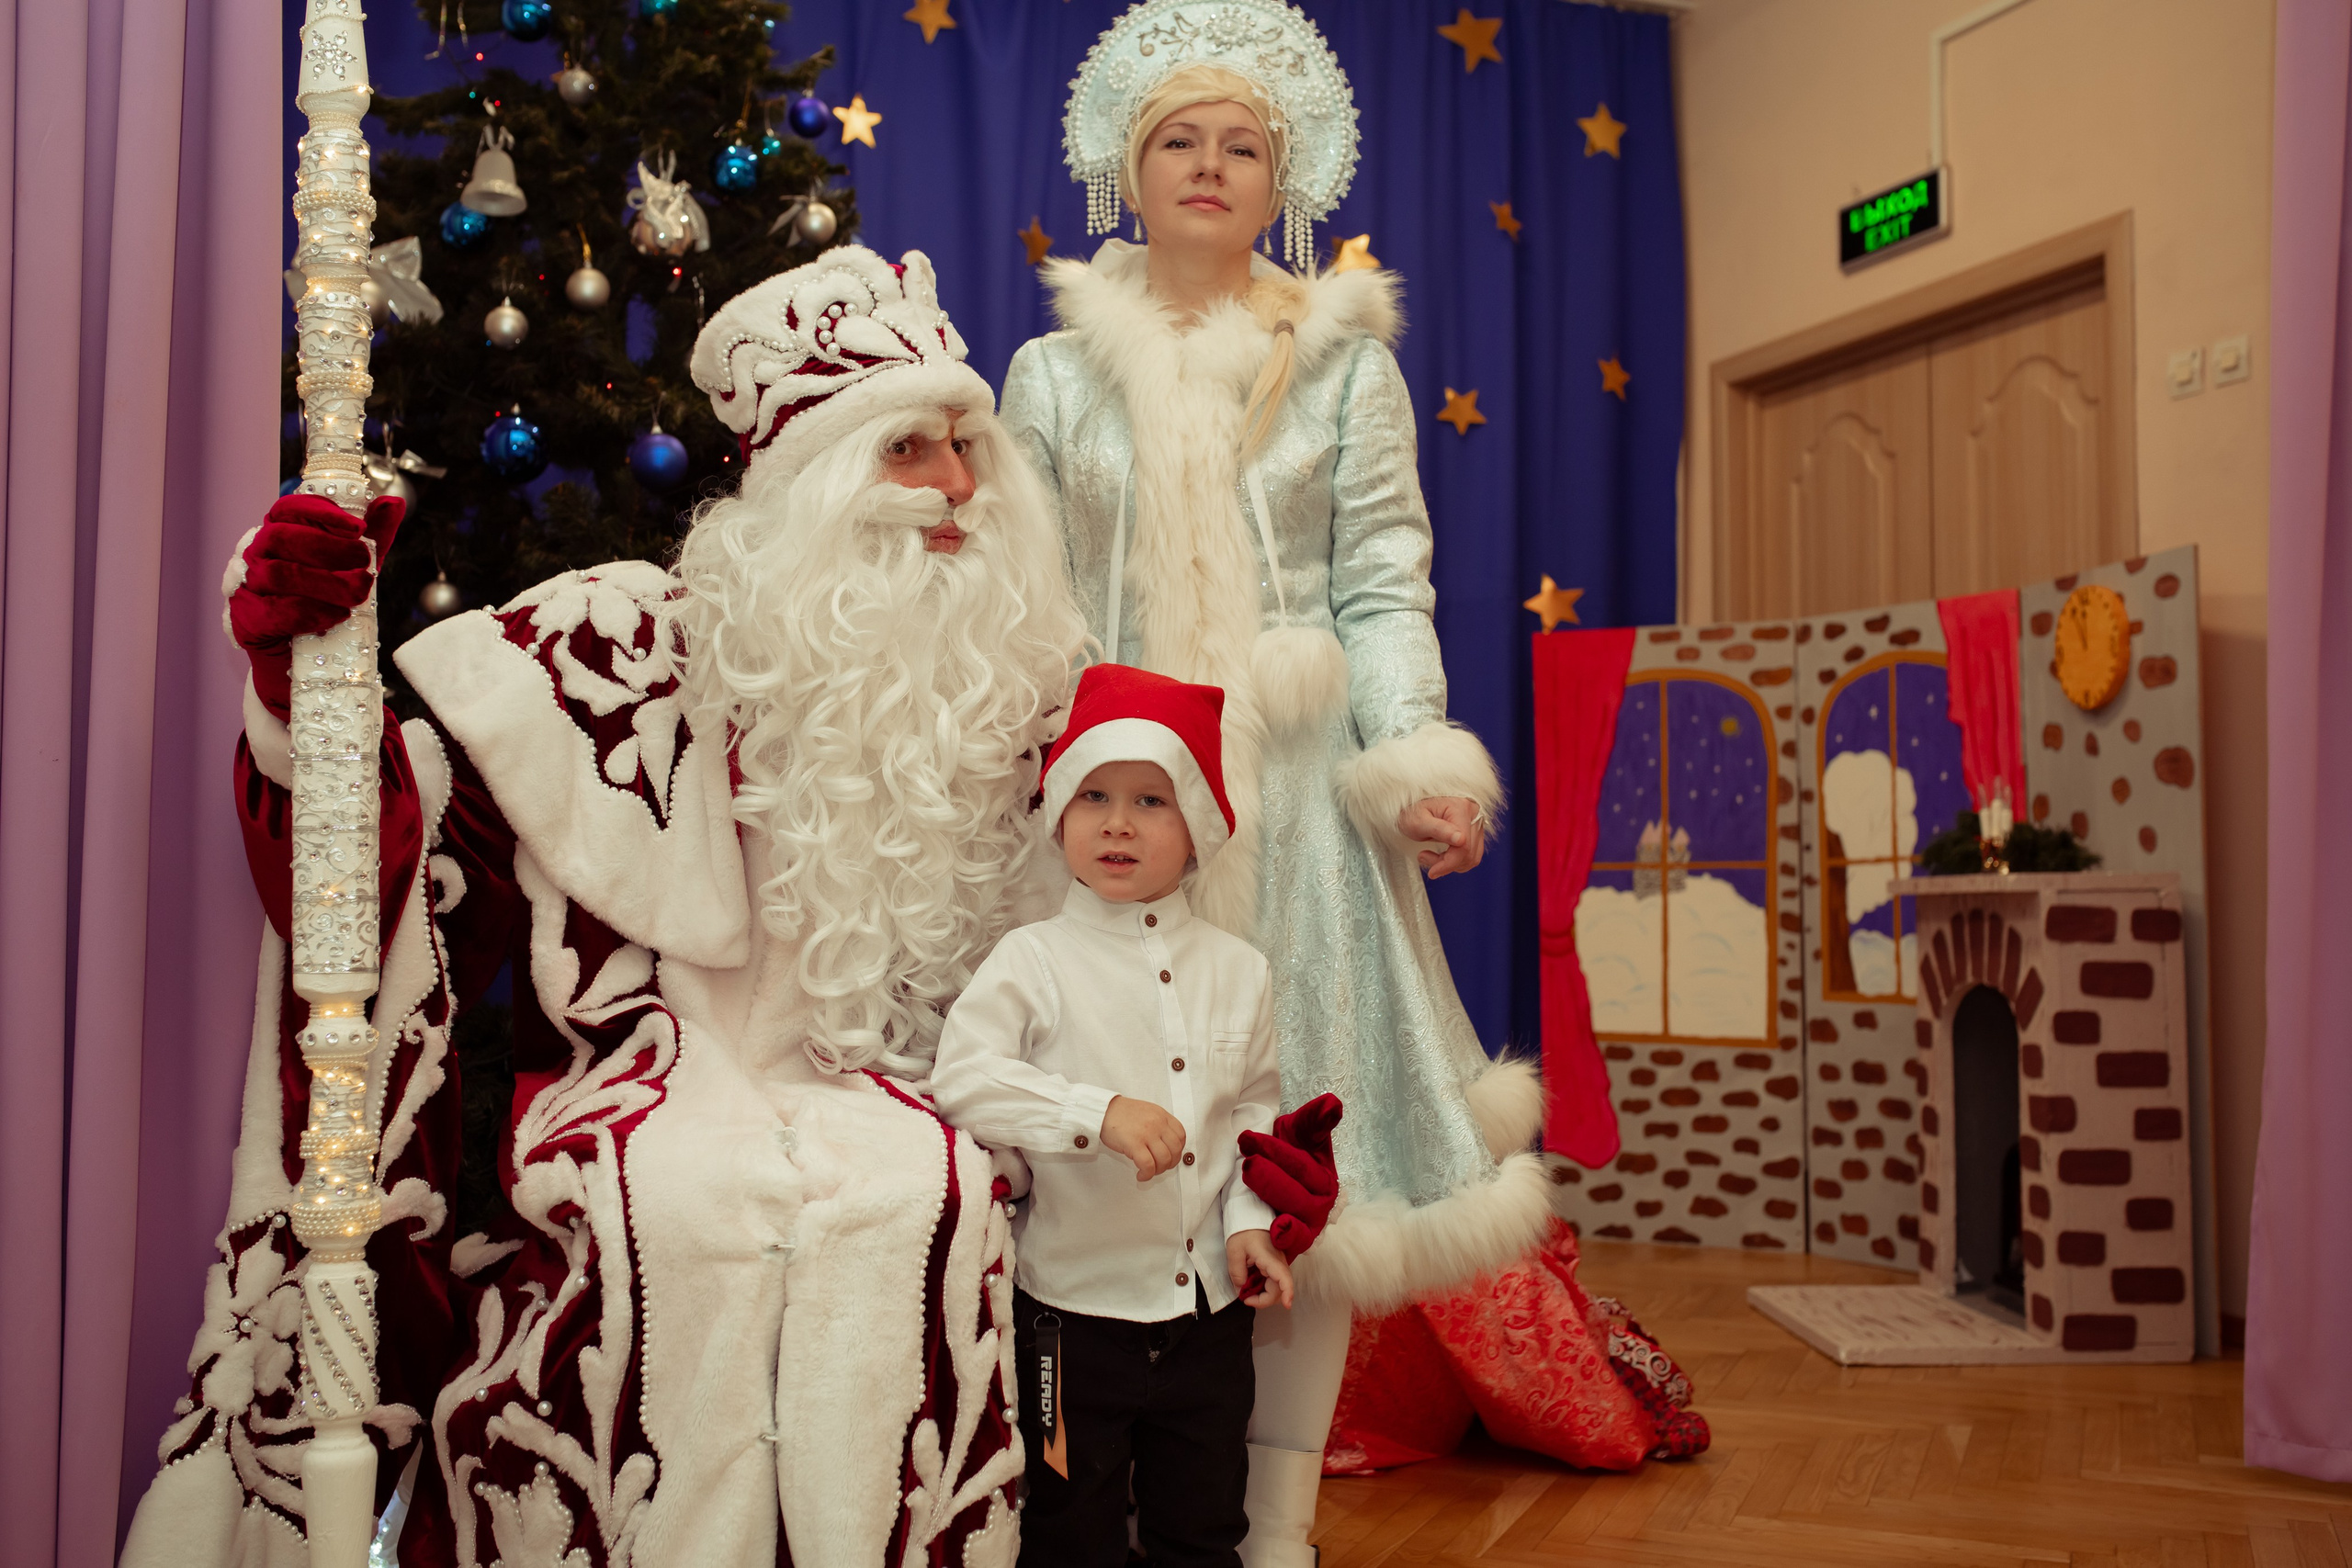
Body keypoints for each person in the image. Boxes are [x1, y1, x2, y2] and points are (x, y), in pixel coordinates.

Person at [123, 247, 1087, 1568]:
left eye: (967, 444)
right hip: (645, 1078)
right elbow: (390, 853)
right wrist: (306, 688)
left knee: (921, 1189)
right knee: (673, 1208)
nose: (961, 489)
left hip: (907, 1081)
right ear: (809, 487)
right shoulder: (610, 655)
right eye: (911, 448)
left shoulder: (1010, 684)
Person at [1001, 5, 1580, 1561]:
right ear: (1130, 165)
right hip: (1115, 798)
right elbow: (1026, 591)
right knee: (1112, 1145)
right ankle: (1106, 1510)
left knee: (1298, 1171)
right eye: (1179, 141)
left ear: (1285, 173)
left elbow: (1384, 579)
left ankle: (1274, 1523)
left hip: (1308, 808)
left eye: (1240, 144)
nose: (1209, 166)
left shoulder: (1340, 365)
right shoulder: (1052, 374)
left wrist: (1416, 760)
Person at [932, 662, 1298, 1568]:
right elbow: (965, 1078)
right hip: (1064, 1325)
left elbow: (1252, 1114)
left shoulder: (1239, 971)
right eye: (1093, 794)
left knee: (1203, 1522)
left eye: (1150, 800)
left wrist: (1251, 1225)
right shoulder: (1032, 960)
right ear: (1059, 815)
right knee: (1066, 1526)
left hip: (1207, 1324)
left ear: (1200, 827)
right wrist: (1093, 1111)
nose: (1119, 822)